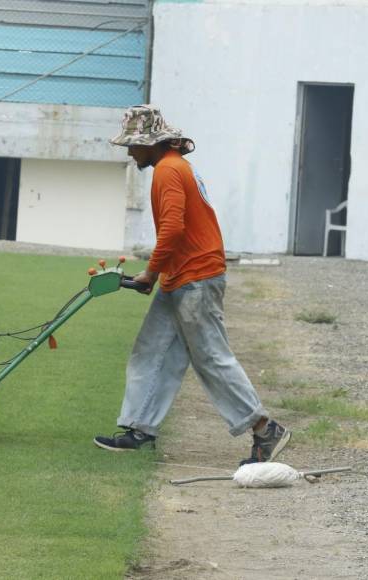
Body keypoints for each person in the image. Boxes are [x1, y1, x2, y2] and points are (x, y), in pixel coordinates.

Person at [93, 105, 291, 465]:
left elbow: (173, 229)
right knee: (151, 350)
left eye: (133, 145)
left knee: (211, 357)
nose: (129, 151)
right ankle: (140, 429)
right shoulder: (173, 166)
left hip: (196, 278)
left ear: (151, 143)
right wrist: (159, 273)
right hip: (182, 275)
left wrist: (150, 274)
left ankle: (265, 428)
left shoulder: (168, 171)